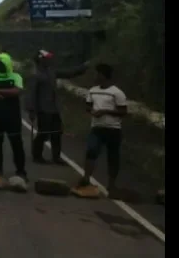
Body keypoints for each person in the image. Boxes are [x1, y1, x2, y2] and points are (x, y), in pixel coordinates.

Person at [27, 50, 88, 165]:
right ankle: (37, 155)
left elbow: (68, 73)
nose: (49, 59)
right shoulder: (35, 74)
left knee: (57, 132)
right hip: (43, 109)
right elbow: (31, 94)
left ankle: (56, 157)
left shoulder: (51, 71)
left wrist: (83, 67)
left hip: (54, 108)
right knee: (43, 133)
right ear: (41, 60)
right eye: (47, 58)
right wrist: (31, 110)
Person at [78, 63, 127, 195]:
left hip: (113, 129)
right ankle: (86, 178)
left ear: (104, 76)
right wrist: (92, 111)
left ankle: (111, 185)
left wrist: (105, 111)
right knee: (91, 151)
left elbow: (123, 112)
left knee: (113, 157)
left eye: (98, 74)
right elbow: (88, 106)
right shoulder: (92, 90)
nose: (95, 76)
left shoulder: (117, 93)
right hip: (96, 128)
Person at [0, 53, 27, 179]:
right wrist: (6, 93)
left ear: (8, 65)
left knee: (16, 143)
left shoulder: (16, 76)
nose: (0, 66)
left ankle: (20, 170)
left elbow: (17, 91)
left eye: (2, 64)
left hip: (13, 115)